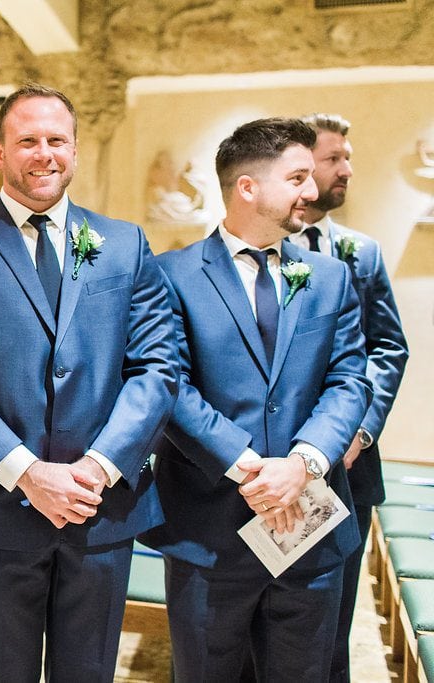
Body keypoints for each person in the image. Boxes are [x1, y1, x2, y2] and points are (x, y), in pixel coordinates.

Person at [0, 83, 178, 682]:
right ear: (0, 152)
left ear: (75, 151)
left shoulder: (126, 245)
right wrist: (28, 471)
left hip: (102, 504)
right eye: (27, 140)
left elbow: (158, 368)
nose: (44, 153)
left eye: (57, 140)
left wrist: (99, 468)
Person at [139, 117, 372, 681]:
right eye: (297, 177)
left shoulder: (330, 277)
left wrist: (302, 464)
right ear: (248, 187)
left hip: (310, 534)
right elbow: (167, 382)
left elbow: (350, 380)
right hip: (208, 531)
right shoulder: (169, 275)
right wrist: (248, 468)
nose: (312, 190)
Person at [292, 112, 409, 683]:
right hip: (265, 469)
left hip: (347, 467)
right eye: (334, 158)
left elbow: (388, 349)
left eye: (348, 157)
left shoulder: (360, 254)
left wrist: (359, 432)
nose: (347, 169)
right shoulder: (249, 253)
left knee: (329, 619)